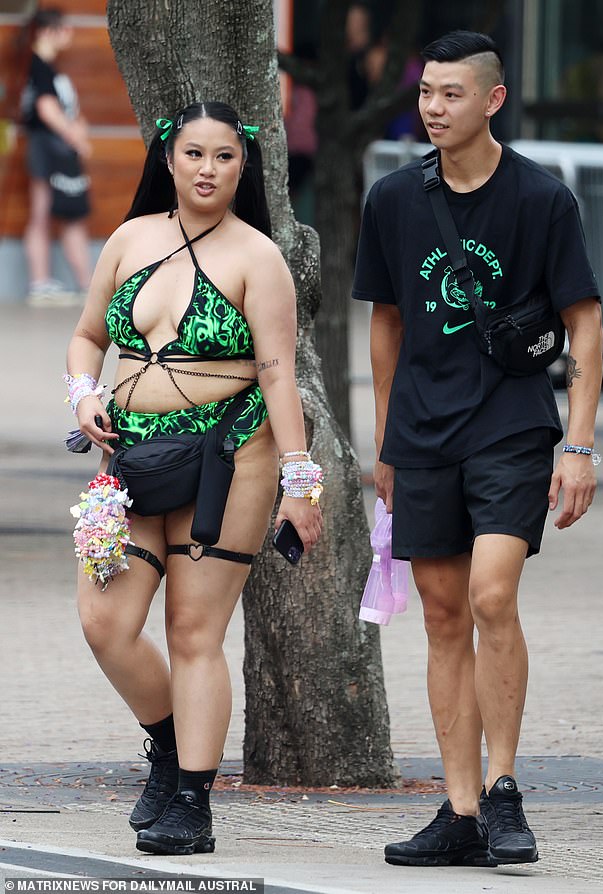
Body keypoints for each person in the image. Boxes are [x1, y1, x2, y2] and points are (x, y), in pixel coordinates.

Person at [352, 31, 603, 868]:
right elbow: (384, 321)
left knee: (493, 596)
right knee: (443, 612)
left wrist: (580, 446)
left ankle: (503, 793)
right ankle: (458, 814)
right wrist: (385, 440)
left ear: (492, 100)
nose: (433, 108)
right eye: (426, 93)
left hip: (513, 427)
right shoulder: (392, 198)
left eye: (451, 94)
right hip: (422, 434)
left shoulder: (540, 199)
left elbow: (586, 323)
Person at [65, 101, 323, 856]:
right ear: (167, 159)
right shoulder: (130, 239)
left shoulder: (257, 257)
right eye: (194, 154)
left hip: (229, 456)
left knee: (192, 630)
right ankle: (169, 746)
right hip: (132, 456)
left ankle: (193, 802)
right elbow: (87, 337)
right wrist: (83, 393)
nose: (208, 169)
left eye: (225, 157)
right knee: (104, 621)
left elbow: (280, 380)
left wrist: (300, 483)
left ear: (245, 166)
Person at [21, 7, 92, 306]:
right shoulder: (39, 67)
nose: (69, 34)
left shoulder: (49, 69)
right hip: (46, 149)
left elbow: (64, 109)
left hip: (58, 151)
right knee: (41, 212)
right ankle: (40, 283)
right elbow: (47, 110)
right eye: (65, 28)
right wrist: (75, 136)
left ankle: (86, 285)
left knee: (68, 214)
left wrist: (78, 130)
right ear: (49, 31)